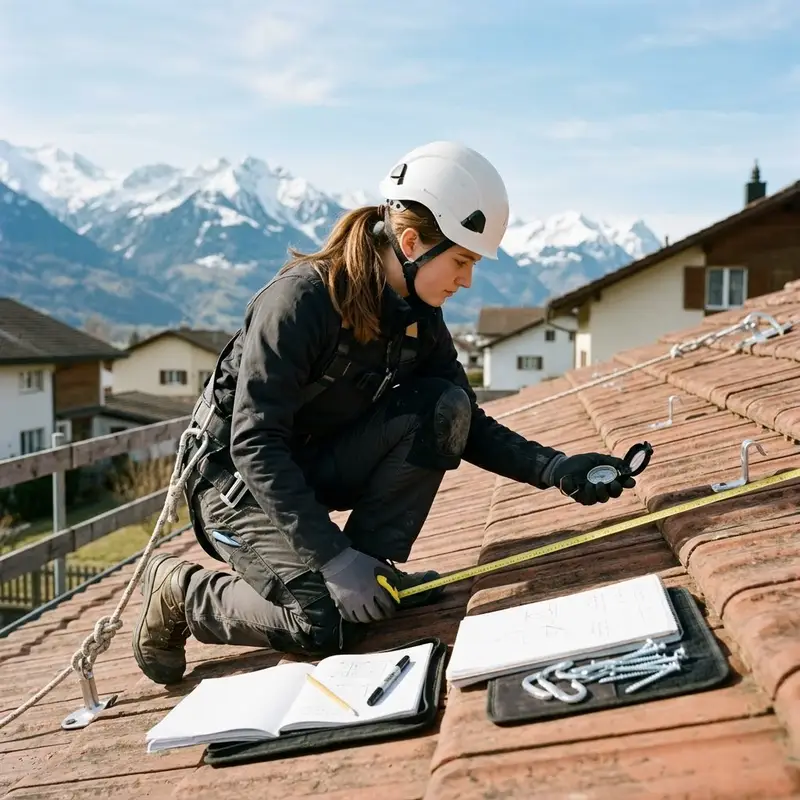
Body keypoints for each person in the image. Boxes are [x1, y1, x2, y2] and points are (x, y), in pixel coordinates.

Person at [132, 141, 637, 685]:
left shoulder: (420, 316)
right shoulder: (300, 303)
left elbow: (458, 417)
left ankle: (371, 572)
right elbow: (256, 444)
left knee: (440, 406)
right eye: (462, 260)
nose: (466, 279)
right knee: (324, 626)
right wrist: (330, 559)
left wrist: (553, 469)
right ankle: (184, 592)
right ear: (412, 241)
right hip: (234, 483)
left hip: (310, 465)